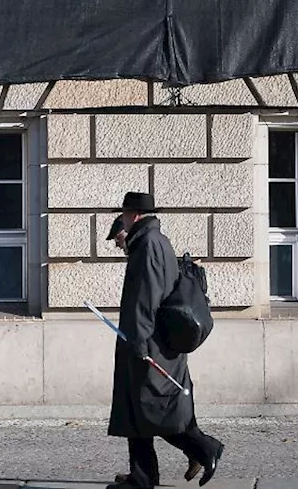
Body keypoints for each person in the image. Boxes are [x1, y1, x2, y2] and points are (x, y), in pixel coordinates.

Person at [106, 192, 224, 489]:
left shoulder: (148, 245)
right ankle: (142, 477)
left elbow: (145, 300)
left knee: (152, 410)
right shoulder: (151, 242)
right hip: (152, 340)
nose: (122, 219)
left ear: (132, 214)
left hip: (150, 343)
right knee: (138, 411)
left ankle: (205, 449)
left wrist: (139, 343)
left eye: (124, 214)